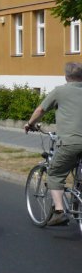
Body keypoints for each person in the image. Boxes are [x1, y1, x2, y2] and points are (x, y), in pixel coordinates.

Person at [25, 62, 82, 226]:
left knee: (55, 174)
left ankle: (59, 212)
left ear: (66, 77)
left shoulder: (60, 91)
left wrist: (30, 124)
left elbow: (41, 110)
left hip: (70, 142)